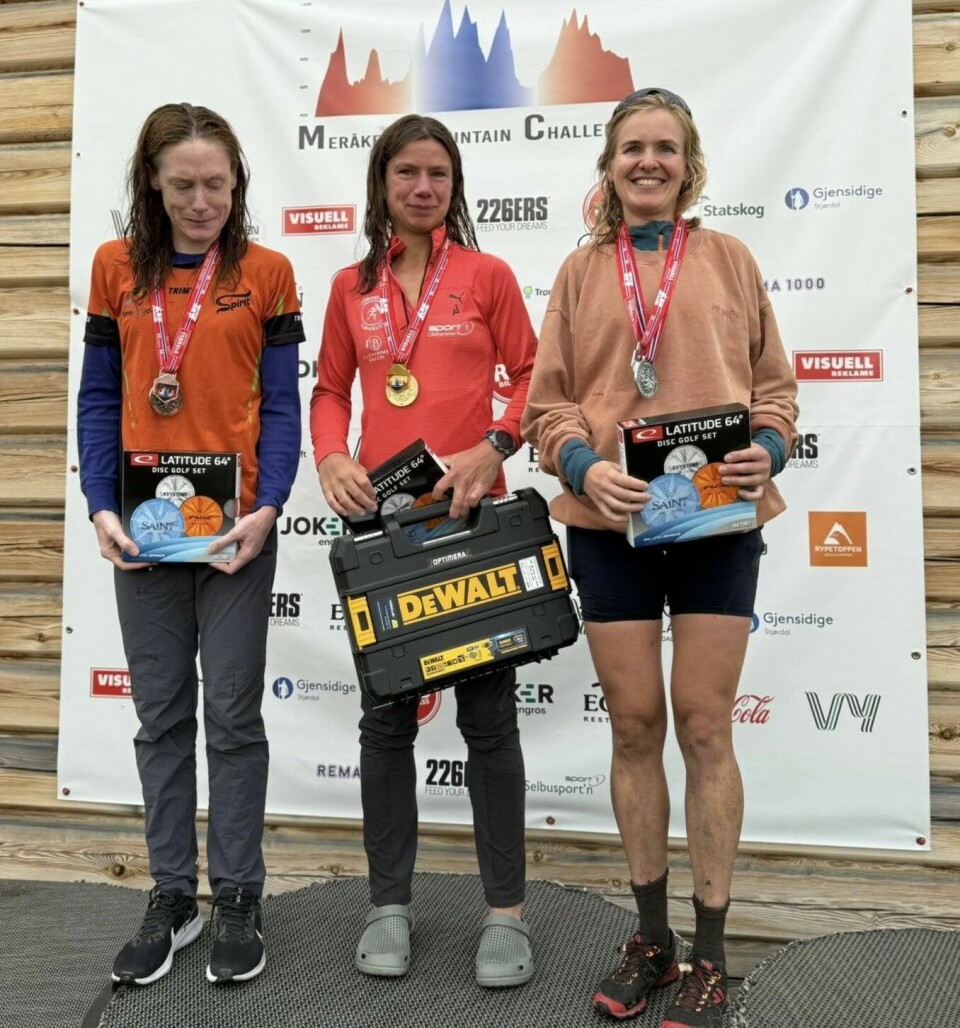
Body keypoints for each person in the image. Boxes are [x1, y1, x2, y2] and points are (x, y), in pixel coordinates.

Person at [521, 88, 798, 1026]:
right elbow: (544, 407)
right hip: (612, 530)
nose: (649, 162)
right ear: (608, 162)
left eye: (666, 148)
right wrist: (584, 466)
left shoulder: (730, 259)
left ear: (689, 163)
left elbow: (776, 389)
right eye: (632, 147)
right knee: (635, 727)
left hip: (719, 525)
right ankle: (652, 938)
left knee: (706, 727)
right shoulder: (576, 271)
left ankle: (711, 951)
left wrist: (773, 445)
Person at [77, 102, 304, 986]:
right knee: (161, 716)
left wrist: (272, 506)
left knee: (235, 719)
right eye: (183, 186)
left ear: (237, 182)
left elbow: (282, 405)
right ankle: (172, 895)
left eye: (216, 183)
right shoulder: (111, 270)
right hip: (145, 530)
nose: (201, 201)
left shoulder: (269, 273)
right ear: (153, 185)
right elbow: (100, 398)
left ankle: (237, 895)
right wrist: (101, 504)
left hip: (237, 532)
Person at [310, 114, 537, 987]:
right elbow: (331, 388)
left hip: (474, 526)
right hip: (387, 535)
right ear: (382, 183)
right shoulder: (348, 286)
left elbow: (533, 376)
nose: (423, 187)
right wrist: (332, 454)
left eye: (438, 173)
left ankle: (506, 916)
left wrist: (497, 443)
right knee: (384, 722)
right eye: (407, 172)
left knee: (488, 724)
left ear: (455, 185)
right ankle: (388, 906)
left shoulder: (487, 275)